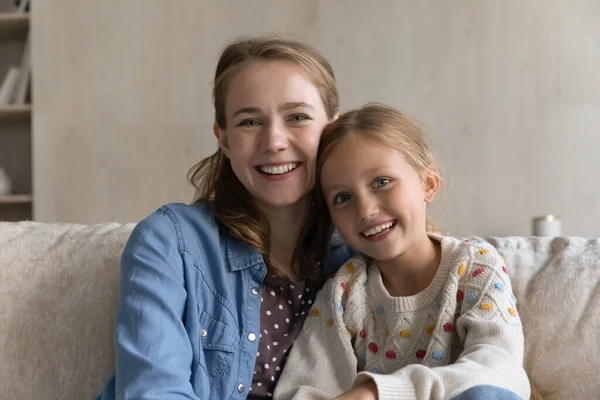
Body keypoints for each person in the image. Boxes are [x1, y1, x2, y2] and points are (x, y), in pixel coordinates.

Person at [97, 34, 353, 399]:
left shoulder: (361, 250)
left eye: (297, 117)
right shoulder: (168, 241)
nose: (274, 141)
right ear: (225, 139)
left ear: (332, 130)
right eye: (250, 122)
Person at [274, 103, 531, 400]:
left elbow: (501, 371)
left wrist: (376, 392)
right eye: (342, 197)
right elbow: (301, 390)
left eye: (381, 182)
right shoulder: (344, 292)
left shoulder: (474, 266)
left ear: (428, 184)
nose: (366, 210)